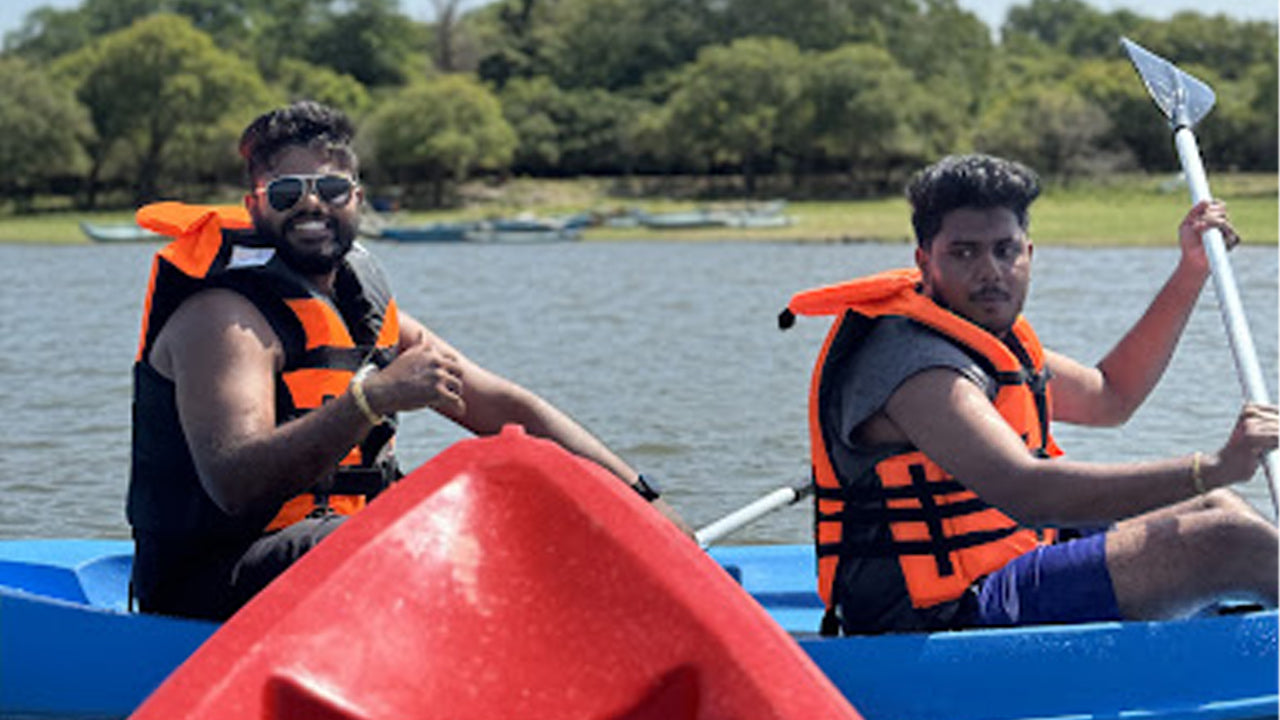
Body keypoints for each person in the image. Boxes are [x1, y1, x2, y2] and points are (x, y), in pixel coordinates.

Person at [127, 101, 689, 621]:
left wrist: (639, 498)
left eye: (330, 187)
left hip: (339, 550)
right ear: (255, 206)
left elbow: (503, 406)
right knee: (418, 538)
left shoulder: (364, 309)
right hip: (214, 584)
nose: (311, 204)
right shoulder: (223, 321)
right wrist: (371, 399)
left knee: (516, 499)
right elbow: (235, 482)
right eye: (286, 192)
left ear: (357, 199)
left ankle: (602, 621)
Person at [781, 153, 1278, 635]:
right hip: (939, 615)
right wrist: (1207, 466)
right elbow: (1027, 491)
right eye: (964, 252)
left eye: (1005, 249)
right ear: (924, 261)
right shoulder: (917, 369)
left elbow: (1111, 396)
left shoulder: (985, 338)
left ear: (1029, 253)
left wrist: (1191, 270)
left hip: (1008, 561)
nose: (990, 271)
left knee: (1221, 508)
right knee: (1229, 541)